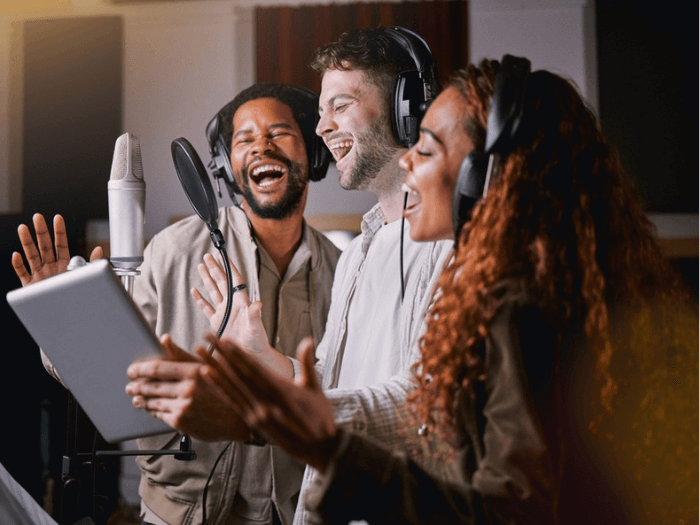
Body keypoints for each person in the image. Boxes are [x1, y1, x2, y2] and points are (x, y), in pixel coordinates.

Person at [163, 59, 699, 524]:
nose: (407, 162)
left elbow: (503, 510)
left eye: (426, 148)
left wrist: (315, 441)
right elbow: (431, 411)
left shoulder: (525, 307)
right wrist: (267, 379)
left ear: (484, 177)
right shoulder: (505, 284)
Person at [126, 27, 455, 525]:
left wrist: (259, 418)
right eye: (320, 114)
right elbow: (326, 381)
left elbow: (423, 405)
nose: (323, 129)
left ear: (405, 109)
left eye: (339, 106)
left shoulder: (451, 248)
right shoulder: (360, 255)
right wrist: (265, 358)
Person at [12, 83, 342, 525]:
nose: (262, 145)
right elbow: (115, 378)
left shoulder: (344, 270)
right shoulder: (172, 251)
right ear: (226, 167)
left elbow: (349, 397)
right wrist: (66, 323)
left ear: (312, 155)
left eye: (280, 133)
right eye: (244, 139)